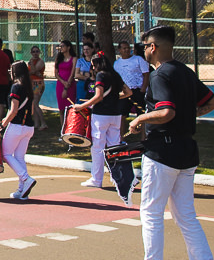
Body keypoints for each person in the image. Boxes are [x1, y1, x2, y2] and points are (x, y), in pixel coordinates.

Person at [122, 26, 214, 260]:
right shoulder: (185, 71)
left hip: (163, 153)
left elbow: (166, 112)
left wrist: (140, 119)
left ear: (153, 47)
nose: (144, 50)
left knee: (151, 214)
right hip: (187, 151)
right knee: (187, 218)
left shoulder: (160, 74)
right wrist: (187, 116)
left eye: (145, 46)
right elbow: (212, 102)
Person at [75, 52, 128, 189]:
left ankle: (96, 179)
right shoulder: (115, 75)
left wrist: (81, 106)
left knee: (98, 147)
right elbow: (128, 92)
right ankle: (117, 178)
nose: (93, 68)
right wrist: (114, 98)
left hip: (101, 115)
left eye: (93, 65)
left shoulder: (101, 75)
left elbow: (98, 96)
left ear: (98, 64)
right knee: (114, 146)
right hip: (116, 114)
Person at [0, 61, 38, 200]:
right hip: (29, 127)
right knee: (20, 157)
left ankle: (26, 178)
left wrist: (3, 125)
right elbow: (31, 110)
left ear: (15, 72)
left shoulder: (16, 87)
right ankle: (22, 190)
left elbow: (14, 110)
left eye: (11, 70)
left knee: (6, 154)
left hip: (17, 126)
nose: (9, 72)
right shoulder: (29, 87)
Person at [115, 41, 151, 117]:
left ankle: (141, 125)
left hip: (137, 90)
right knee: (122, 114)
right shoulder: (116, 63)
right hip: (124, 92)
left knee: (141, 113)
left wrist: (143, 89)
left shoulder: (138, 59)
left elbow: (146, 74)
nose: (127, 50)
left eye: (128, 48)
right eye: (124, 48)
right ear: (119, 50)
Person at [27, 45, 47, 130]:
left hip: (38, 84)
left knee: (35, 103)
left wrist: (32, 69)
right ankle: (36, 123)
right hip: (32, 83)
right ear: (31, 53)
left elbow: (33, 70)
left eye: (37, 51)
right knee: (33, 104)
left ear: (39, 52)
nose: (35, 53)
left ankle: (43, 123)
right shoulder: (31, 61)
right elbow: (31, 72)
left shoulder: (40, 61)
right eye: (33, 52)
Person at [54, 40, 75, 119]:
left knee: (70, 108)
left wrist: (67, 86)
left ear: (68, 47)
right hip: (60, 84)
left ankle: (70, 125)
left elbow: (72, 73)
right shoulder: (58, 59)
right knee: (61, 109)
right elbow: (56, 74)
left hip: (70, 84)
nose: (61, 48)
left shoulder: (73, 58)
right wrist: (63, 82)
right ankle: (62, 125)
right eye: (60, 46)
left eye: (63, 46)